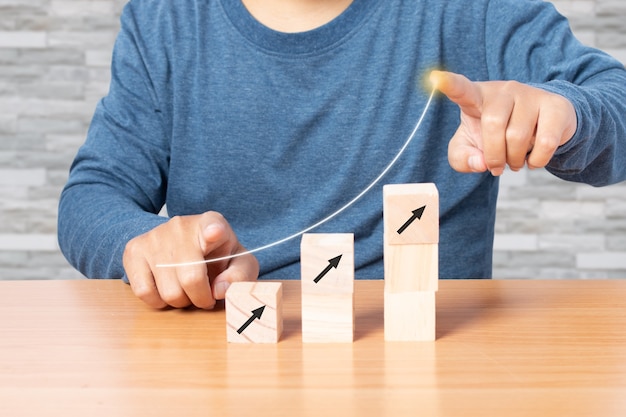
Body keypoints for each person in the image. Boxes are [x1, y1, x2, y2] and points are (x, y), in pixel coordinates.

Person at [58, 0, 626, 310]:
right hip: (222, 356)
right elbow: (92, 195)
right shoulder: (165, 19)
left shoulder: (472, 9)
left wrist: (561, 115)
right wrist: (143, 244)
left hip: (428, 363)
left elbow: (613, 103)